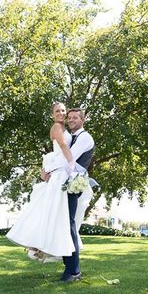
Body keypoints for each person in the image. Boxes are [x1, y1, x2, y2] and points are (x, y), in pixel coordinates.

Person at [5, 103, 77, 260]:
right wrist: (72, 164)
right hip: (61, 174)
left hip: (61, 171)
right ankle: (37, 243)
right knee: (52, 210)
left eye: (63, 110)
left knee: (56, 212)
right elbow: (63, 145)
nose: (61, 113)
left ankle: (45, 245)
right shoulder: (56, 128)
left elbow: (55, 154)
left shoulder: (65, 129)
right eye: (57, 111)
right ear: (52, 114)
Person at [58, 108, 95, 282]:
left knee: (69, 224)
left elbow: (70, 158)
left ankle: (74, 271)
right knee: (64, 224)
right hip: (66, 183)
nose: (71, 120)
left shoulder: (85, 137)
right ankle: (69, 267)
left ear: (82, 120)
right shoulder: (71, 137)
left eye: (75, 117)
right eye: (69, 117)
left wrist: (49, 168)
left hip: (74, 184)